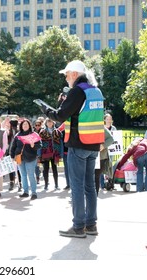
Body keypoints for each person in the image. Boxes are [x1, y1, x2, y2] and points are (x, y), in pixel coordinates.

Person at [43, 60, 105, 238]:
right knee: (89, 187)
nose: (66, 77)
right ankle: (91, 224)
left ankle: (78, 226)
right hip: (93, 144)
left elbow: (61, 116)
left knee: (77, 186)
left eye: (67, 74)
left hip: (78, 145)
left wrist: (46, 110)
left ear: (75, 74)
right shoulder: (95, 91)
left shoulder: (77, 91)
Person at [10, 118, 42, 200]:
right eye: (23, 124)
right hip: (19, 157)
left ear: (29, 125)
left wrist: (33, 146)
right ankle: (25, 192)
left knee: (31, 175)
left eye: (26, 124)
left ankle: (34, 193)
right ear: (21, 126)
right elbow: (13, 147)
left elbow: (39, 145)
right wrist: (12, 156)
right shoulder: (17, 135)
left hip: (31, 157)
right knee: (23, 175)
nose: (25, 126)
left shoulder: (34, 134)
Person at [38, 118, 63, 190]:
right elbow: (40, 144)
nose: (49, 123)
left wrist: (60, 153)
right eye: (48, 122)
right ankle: (46, 185)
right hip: (45, 153)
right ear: (46, 123)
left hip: (55, 153)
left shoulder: (57, 132)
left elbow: (60, 143)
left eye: (51, 122)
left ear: (53, 123)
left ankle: (56, 185)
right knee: (46, 169)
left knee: (55, 169)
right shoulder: (42, 132)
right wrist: (39, 154)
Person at [94, 127, 114, 195]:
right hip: (88, 155)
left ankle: (94, 196)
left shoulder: (101, 127)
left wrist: (103, 145)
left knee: (96, 176)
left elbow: (111, 139)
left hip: (100, 157)